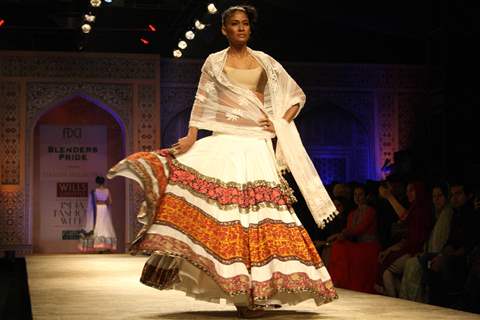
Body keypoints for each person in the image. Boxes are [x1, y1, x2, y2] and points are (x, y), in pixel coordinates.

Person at [107, 4, 338, 318]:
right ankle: (243, 297)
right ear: (224, 30)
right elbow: (201, 99)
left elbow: (296, 95)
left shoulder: (265, 62)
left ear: (249, 29)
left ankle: (258, 292)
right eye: (234, 24)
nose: (241, 28)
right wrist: (191, 135)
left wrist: (279, 122)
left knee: (259, 218)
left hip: (256, 145)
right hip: (225, 139)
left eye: (245, 24)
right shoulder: (214, 62)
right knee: (224, 212)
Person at [375, 181, 433, 297]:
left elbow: (405, 218)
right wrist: (389, 250)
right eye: (407, 191)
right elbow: (407, 237)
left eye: (412, 190)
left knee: (386, 270)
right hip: (409, 248)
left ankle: (396, 301)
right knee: (385, 262)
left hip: (417, 251)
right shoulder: (415, 208)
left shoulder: (422, 209)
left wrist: (389, 196)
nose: (408, 194)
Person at [327, 185, 381, 293]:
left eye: (360, 194)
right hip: (359, 245)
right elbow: (350, 230)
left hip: (370, 246)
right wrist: (340, 235)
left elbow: (359, 229)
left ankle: (340, 282)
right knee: (337, 246)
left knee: (339, 245)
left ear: (366, 196)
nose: (357, 197)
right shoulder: (352, 214)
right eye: (355, 194)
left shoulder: (370, 211)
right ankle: (337, 281)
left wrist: (340, 234)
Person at [79, 176, 117, 253]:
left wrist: (98, 202)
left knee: (97, 224)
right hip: (104, 209)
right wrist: (104, 203)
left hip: (97, 209)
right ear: (103, 182)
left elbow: (93, 202)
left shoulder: (95, 191)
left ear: (97, 182)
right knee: (105, 225)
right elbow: (110, 202)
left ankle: (97, 246)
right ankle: (106, 247)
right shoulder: (107, 190)